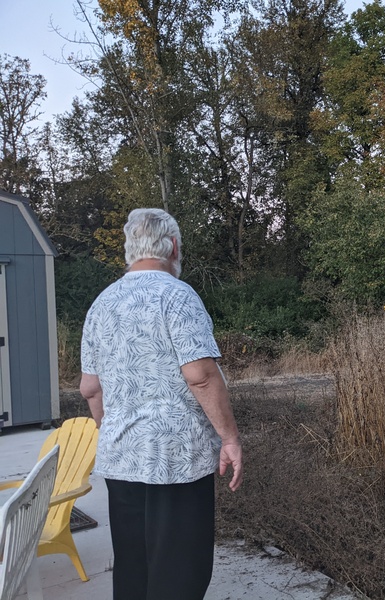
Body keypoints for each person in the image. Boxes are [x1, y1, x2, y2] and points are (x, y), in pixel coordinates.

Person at [80, 208, 243, 600]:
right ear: (172, 246)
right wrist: (230, 438)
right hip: (177, 459)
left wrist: (113, 429)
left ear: (130, 250)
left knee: (134, 568)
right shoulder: (177, 295)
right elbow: (200, 375)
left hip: (122, 458)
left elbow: (90, 388)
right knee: (178, 573)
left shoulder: (102, 303)